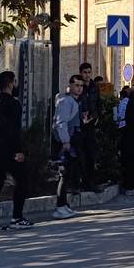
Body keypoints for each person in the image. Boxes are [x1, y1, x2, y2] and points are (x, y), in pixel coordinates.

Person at [0, 71, 30, 233]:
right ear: (10, 84)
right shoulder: (13, 104)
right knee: (22, 181)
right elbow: (13, 130)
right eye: (15, 81)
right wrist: (18, 151)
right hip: (9, 152)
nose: (16, 84)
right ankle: (17, 217)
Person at [52, 74, 85, 219]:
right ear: (70, 86)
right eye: (76, 85)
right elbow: (61, 122)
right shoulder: (66, 101)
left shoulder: (74, 101)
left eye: (81, 86)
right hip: (66, 142)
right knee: (63, 174)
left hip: (72, 140)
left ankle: (64, 205)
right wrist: (65, 141)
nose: (79, 88)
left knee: (68, 173)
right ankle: (60, 206)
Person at [76, 62, 99, 192]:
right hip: (80, 126)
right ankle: (80, 182)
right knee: (80, 155)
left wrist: (97, 117)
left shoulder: (94, 87)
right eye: (85, 72)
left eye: (89, 72)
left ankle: (91, 182)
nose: (87, 75)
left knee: (91, 155)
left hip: (91, 125)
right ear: (81, 73)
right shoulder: (78, 87)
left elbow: (98, 103)